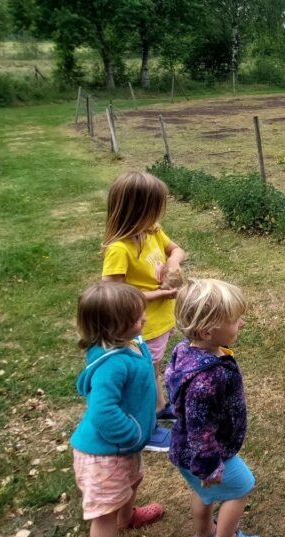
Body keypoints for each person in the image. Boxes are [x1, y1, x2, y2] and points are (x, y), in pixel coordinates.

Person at [71, 282, 166, 537]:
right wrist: (133, 434)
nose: (145, 320)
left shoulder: (132, 343)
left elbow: (147, 376)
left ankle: (128, 516)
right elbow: (103, 411)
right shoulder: (111, 365)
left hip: (122, 450)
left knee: (134, 480)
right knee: (103, 514)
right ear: (116, 327)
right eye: (138, 318)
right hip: (104, 454)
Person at [165, 279, 262, 537]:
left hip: (184, 450)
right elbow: (199, 428)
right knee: (242, 486)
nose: (241, 323)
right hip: (205, 454)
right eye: (234, 320)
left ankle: (203, 533)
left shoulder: (187, 349)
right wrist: (208, 467)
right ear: (208, 330)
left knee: (202, 493)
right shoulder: (206, 379)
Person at [101, 171, 186, 451]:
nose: (157, 216)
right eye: (153, 209)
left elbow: (177, 250)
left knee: (153, 367)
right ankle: (145, 428)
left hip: (159, 318)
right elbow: (115, 293)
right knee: (141, 376)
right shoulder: (119, 249)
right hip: (139, 323)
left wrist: (172, 265)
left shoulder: (152, 231)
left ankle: (160, 406)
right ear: (136, 211)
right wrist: (158, 293)